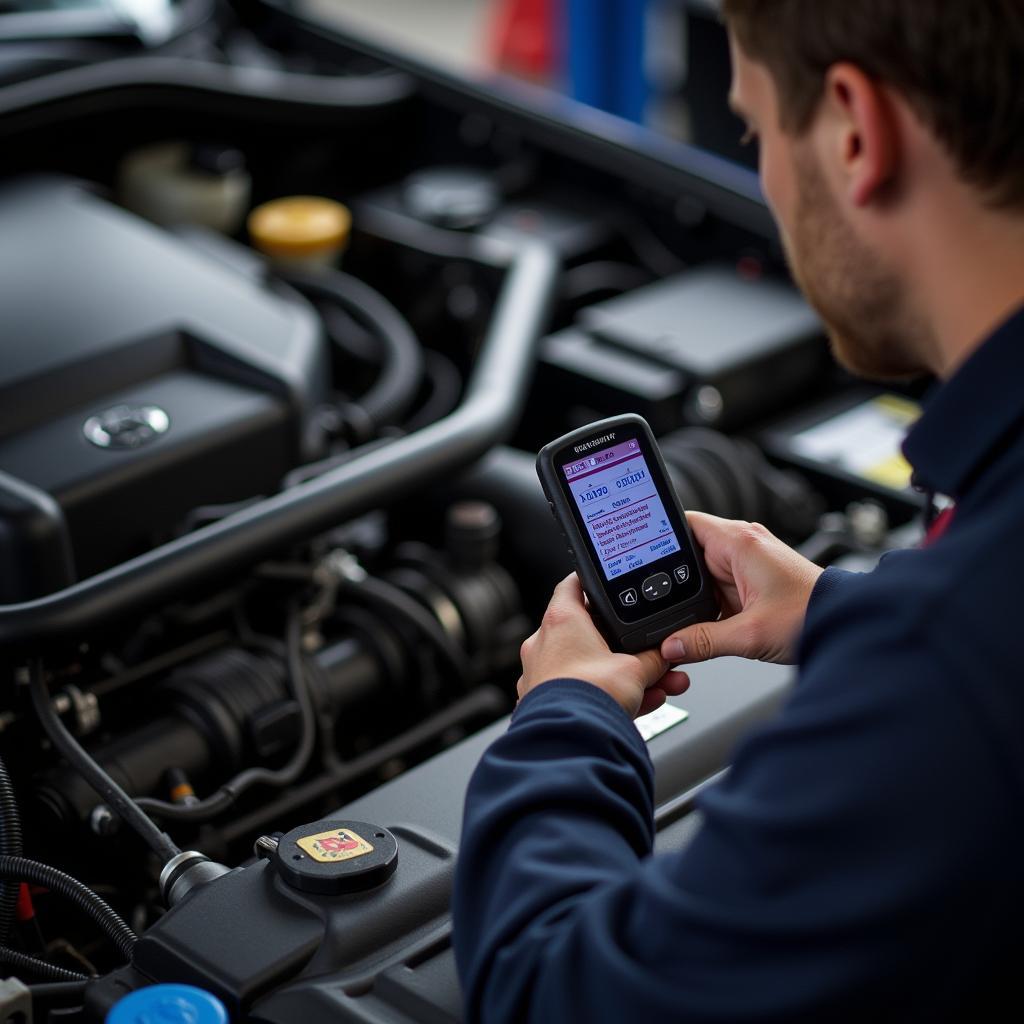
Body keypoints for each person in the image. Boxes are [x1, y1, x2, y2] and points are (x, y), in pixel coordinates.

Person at [451, 1, 1024, 1021]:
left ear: (855, 130)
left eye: (754, 129)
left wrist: (563, 718)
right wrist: (840, 614)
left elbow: (561, 994)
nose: (759, 171)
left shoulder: (946, 669)